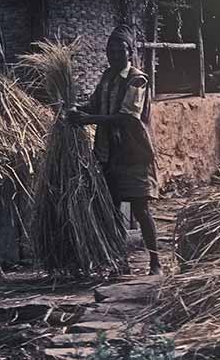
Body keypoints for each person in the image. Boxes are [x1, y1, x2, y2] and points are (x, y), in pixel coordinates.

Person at [68, 24, 161, 275]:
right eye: (111, 52)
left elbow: (128, 117)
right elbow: (95, 104)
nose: (115, 56)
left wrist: (90, 120)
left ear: (129, 52)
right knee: (112, 208)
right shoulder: (108, 77)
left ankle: (155, 263)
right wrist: (76, 109)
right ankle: (121, 263)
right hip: (108, 153)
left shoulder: (137, 79)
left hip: (133, 152)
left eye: (120, 52)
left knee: (141, 209)